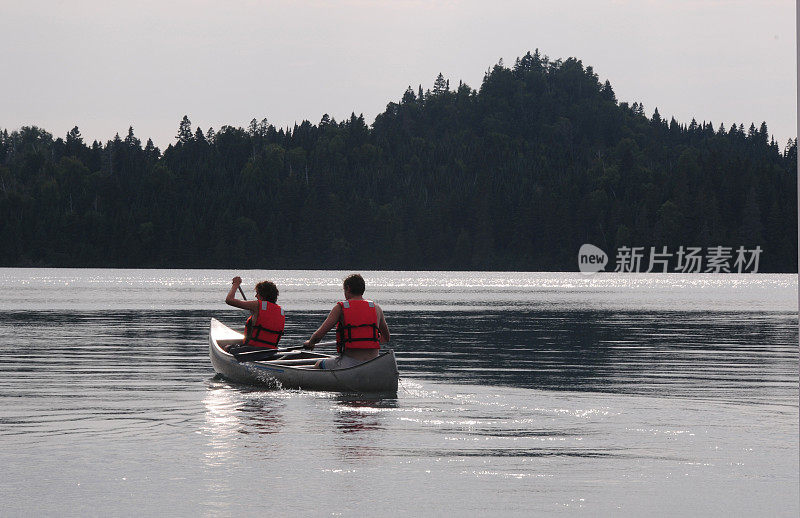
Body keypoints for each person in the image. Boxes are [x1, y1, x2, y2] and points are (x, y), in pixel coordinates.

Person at [303, 273, 390, 369]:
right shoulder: (376, 308)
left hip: (350, 363)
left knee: (318, 364)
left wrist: (310, 343)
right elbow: (386, 338)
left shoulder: (340, 308)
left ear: (348, 288)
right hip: (373, 362)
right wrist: (368, 339)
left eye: (344, 290)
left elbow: (319, 335)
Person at [225, 276, 285, 354]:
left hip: (252, 350)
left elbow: (229, 300)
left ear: (263, 294)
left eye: (257, 293)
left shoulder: (257, 305)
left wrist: (236, 284)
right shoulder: (280, 310)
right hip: (271, 351)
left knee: (226, 347)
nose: (255, 296)